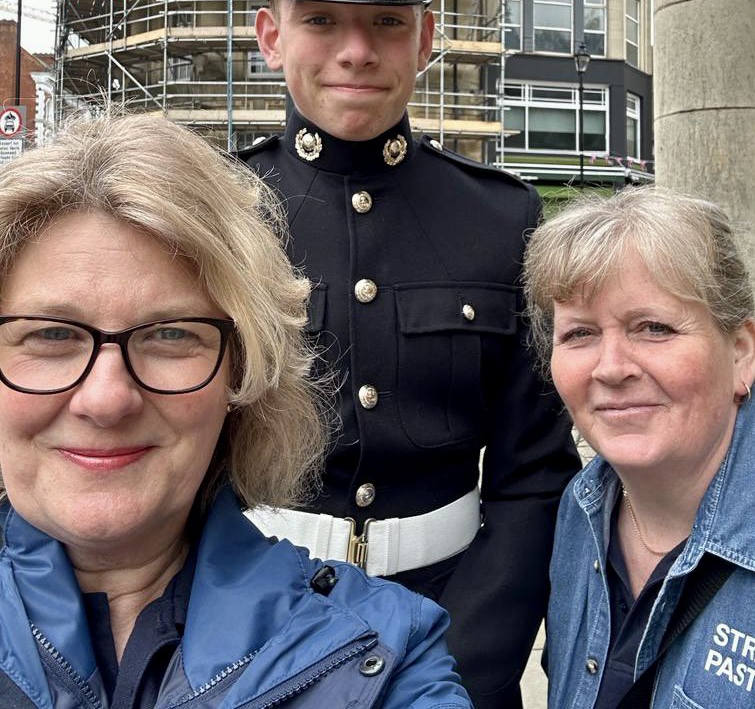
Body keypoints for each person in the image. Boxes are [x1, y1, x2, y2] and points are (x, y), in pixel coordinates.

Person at [227, 0, 581, 708]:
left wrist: (459, 667)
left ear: (425, 36)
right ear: (271, 35)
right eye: (320, 19)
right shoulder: (217, 212)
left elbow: (535, 474)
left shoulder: (503, 218)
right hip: (244, 624)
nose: (356, 49)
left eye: (387, 20)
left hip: (453, 617)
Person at [0, 113, 473, 709]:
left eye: (170, 335)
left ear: (241, 376)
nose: (106, 398)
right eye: (50, 335)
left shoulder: (385, 656)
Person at [523, 186, 755, 708]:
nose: (611, 367)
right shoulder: (581, 511)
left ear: (740, 353)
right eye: (580, 334)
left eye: (653, 328)